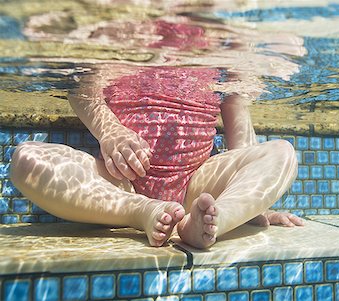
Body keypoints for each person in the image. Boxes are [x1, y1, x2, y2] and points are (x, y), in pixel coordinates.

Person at [10, 62, 303, 249]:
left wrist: (248, 204)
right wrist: (110, 132)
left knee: (282, 153)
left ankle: (217, 218)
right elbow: (82, 88)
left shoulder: (224, 37)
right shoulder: (120, 23)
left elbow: (239, 120)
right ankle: (141, 211)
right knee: (27, 161)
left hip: (197, 184)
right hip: (121, 184)